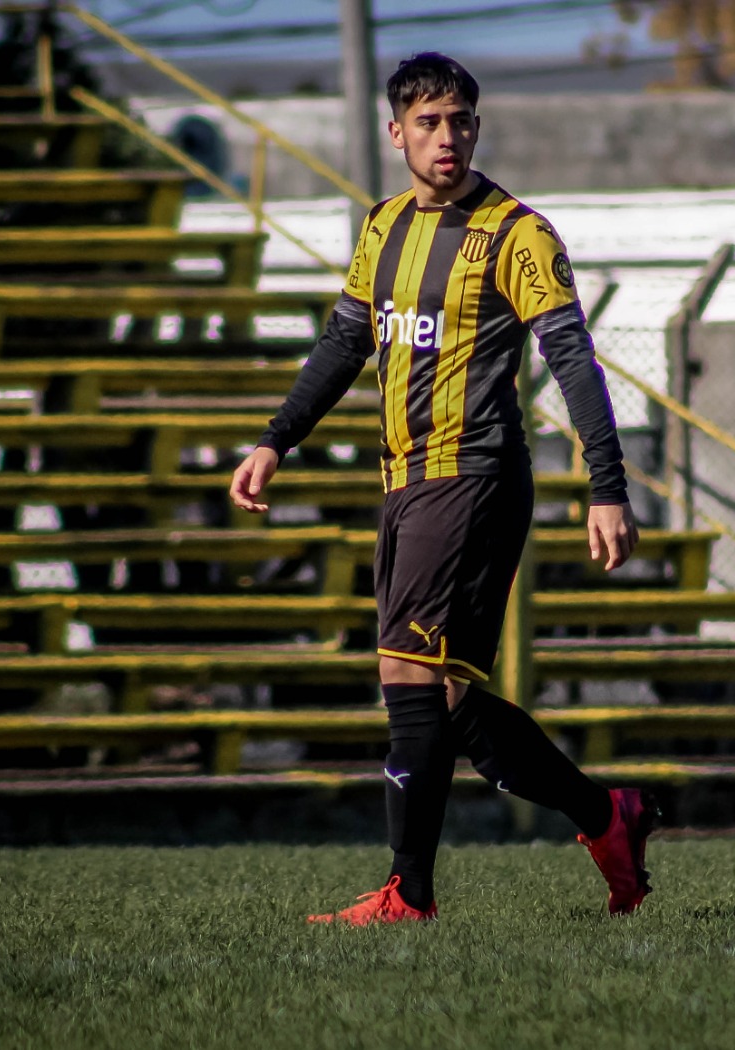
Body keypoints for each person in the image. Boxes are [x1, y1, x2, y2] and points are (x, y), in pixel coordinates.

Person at [229, 51, 656, 925]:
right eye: (428, 123)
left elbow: (570, 356)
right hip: (403, 482)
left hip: (473, 476)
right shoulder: (383, 227)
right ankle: (608, 815)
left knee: (406, 672)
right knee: (448, 703)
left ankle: (408, 895)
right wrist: (278, 438)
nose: (447, 136)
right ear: (398, 134)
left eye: (460, 119)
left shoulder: (517, 234)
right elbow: (346, 342)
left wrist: (604, 484)